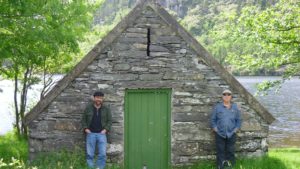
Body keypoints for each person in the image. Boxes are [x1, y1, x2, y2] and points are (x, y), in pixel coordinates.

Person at [211, 89, 242, 169]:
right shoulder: (217, 107)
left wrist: (236, 129)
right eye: (225, 94)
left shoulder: (235, 108)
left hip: (231, 133)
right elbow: (213, 119)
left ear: (231, 97)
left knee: (230, 151)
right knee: (220, 151)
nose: (226, 96)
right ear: (222, 96)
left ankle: (231, 166)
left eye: (228, 94)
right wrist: (215, 128)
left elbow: (239, 120)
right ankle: (220, 166)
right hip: (219, 133)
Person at [81, 91, 112, 169]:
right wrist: (86, 129)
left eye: (101, 98)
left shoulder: (106, 109)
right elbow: (83, 119)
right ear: (94, 98)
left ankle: (100, 168)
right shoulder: (88, 108)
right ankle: (90, 167)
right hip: (90, 133)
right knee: (90, 154)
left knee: (102, 154)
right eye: (97, 97)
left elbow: (110, 120)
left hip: (102, 134)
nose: (99, 99)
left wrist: (105, 129)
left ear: (102, 99)